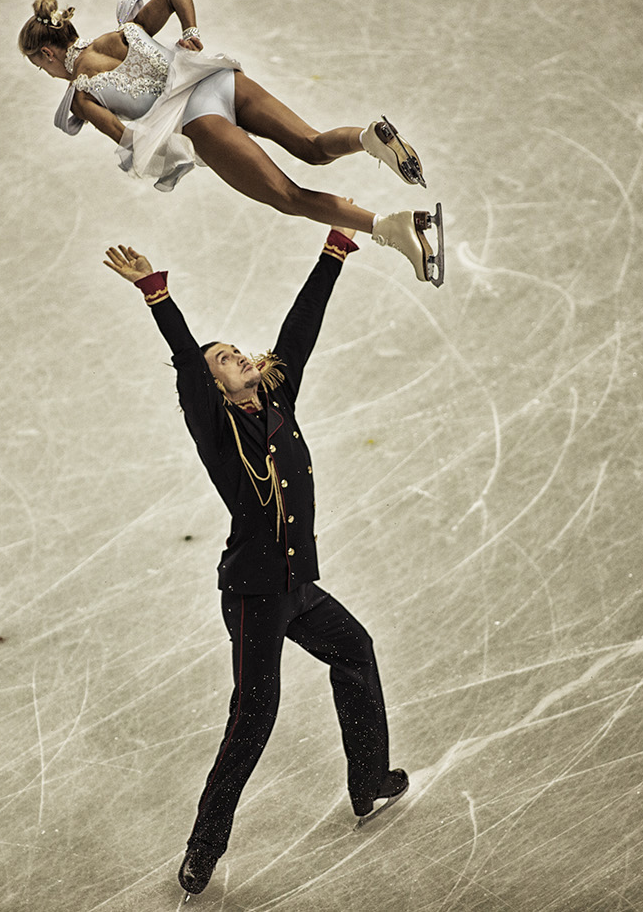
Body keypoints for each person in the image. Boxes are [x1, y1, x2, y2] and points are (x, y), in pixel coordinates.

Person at [103, 229, 410, 898]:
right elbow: (187, 364)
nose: (236, 354)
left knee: (354, 651)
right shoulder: (218, 428)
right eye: (224, 359)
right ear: (214, 385)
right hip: (253, 594)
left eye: (235, 351)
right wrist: (157, 296)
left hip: (296, 585)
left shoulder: (275, 404)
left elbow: (299, 332)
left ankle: (369, 782)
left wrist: (333, 253)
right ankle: (202, 849)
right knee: (254, 716)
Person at [23, 0, 444, 285]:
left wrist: (168, 153)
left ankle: (392, 226)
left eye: (40, 66)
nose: (47, 72)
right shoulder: (125, 30)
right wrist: (189, 32)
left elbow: (127, 140)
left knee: (289, 197)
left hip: (199, 122)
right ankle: (369, 138)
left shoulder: (80, 94)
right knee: (313, 146)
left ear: (48, 52)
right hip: (219, 81)